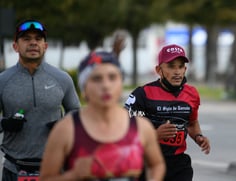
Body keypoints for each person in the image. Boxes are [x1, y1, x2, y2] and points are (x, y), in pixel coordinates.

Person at [39, 51, 165, 181]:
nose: (106, 86)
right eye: (96, 79)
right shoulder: (66, 129)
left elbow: (156, 165)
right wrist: (74, 175)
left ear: (121, 84)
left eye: (112, 77)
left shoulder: (141, 127)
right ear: (84, 88)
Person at [0, 19, 80, 181]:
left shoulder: (62, 79)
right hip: (14, 168)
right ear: (15, 46)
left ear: (45, 46)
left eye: (38, 39)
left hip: (55, 167)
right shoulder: (3, 81)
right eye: (26, 39)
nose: (33, 43)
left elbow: (76, 111)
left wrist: (64, 124)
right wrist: (4, 123)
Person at [125, 44, 211, 181]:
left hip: (178, 164)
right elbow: (125, 132)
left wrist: (199, 137)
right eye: (171, 66)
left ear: (185, 69)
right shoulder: (142, 94)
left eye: (181, 66)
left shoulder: (192, 94)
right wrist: (155, 134)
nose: (177, 72)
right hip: (148, 162)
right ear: (159, 70)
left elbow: (192, 123)